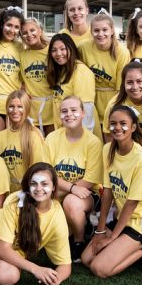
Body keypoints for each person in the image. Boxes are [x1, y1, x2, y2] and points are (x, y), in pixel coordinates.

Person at [82, 104, 142, 276]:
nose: (117, 127)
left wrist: (112, 238)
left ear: (133, 127)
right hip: (122, 218)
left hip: (140, 221)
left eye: (123, 123)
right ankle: (124, 244)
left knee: (99, 269)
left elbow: (131, 203)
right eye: (113, 123)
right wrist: (100, 231)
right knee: (86, 259)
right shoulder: (107, 150)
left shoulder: (141, 159)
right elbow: (107, 192)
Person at [45, 95, 103, 262]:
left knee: (70, 202)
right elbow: (47, 172)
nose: (69, 114)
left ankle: (79, 240)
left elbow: (90, 179)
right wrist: (68, 188)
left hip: (86, 194)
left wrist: (67, 192)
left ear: (83, 113)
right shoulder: (52, 138)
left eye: (74, 110)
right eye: (64, 111)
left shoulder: (93, 142)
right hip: (60, 190)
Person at [79, 12, 130, 138]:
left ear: (112, 30)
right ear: (91, 31)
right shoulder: (83, 48)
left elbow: (120, 89)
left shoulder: (121, 52)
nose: (100, 34)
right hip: (90, 100)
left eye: (105, 30)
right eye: (96, 30)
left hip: (112, 100)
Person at [102, 60, 142, 154]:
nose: (135, 87)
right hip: (126, 143)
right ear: (123, 84)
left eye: (139, 81)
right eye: (130, 82)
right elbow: (109, 135)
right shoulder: (115, 105)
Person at [0, 90, 47, 190]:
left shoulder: (33, 134)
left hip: (29, 190)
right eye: (11, 106)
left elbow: (39, 170)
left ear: (26, 108)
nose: (15, 110)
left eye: (20, 107)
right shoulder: (0, 136)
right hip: (5, 190)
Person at [0, 8, 24, 142]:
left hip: (15, 104)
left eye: (16, 27)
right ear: (1, 25)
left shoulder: (21, 48)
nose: (12, 30)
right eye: (9, 25)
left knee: (14, 147)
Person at [46, 33, 96, 132]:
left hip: (78, 134)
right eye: (54, 50)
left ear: (71, 49)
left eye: (63, 49)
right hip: (65, 131)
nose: (58, 53)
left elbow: (86, 110)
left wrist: (81, 138)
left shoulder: (81, 72)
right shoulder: (62, 71)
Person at [19, 17, 53, 131]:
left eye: (32, 30)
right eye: (24, 33)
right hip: (32, 111)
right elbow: (21, 81)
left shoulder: (52, 51)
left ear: (40, 30)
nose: (29, 35)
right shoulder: (22, 55)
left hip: (52, 108)